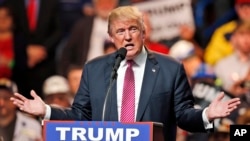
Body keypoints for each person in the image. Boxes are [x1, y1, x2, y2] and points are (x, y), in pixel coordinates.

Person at [10, 6, 241, 141]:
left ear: (143, 32)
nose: (127, 36)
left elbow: (182, 115)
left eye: (133, 29)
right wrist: (47, 111)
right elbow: (81, 115)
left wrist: (207, 115)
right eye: (120, 31)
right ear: (111, 37)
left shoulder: (170, 68)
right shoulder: (94, 68)